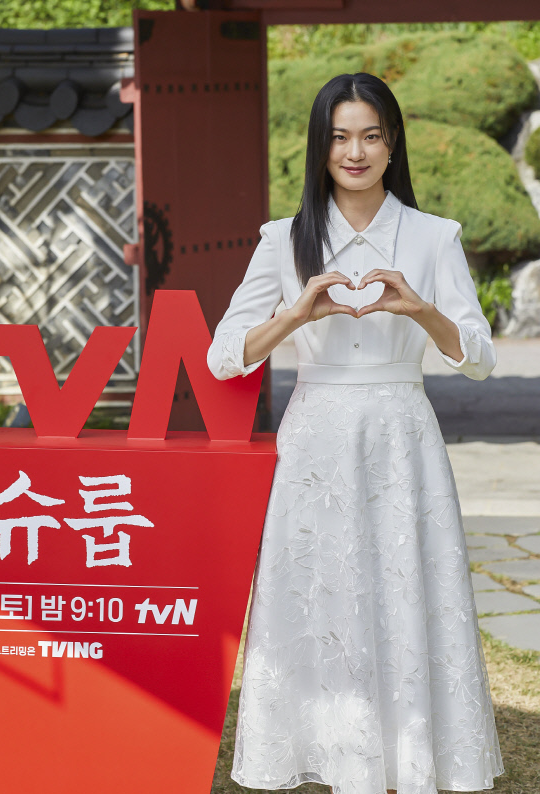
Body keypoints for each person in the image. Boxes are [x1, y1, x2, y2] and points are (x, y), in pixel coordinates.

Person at [206, 73, 505, 794]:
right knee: (319, 592)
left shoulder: (434, 236)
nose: (355, 151)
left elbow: (479, 358)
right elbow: (222, 356)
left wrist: (420, 310)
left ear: (392, 144)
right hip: (315, 434)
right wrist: (295, 314)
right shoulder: (283, 240)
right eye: (339, 136)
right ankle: (326, 749)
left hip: (402, 430)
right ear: (320, 147)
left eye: (370, 135)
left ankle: (408, 755)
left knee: (405, 586)